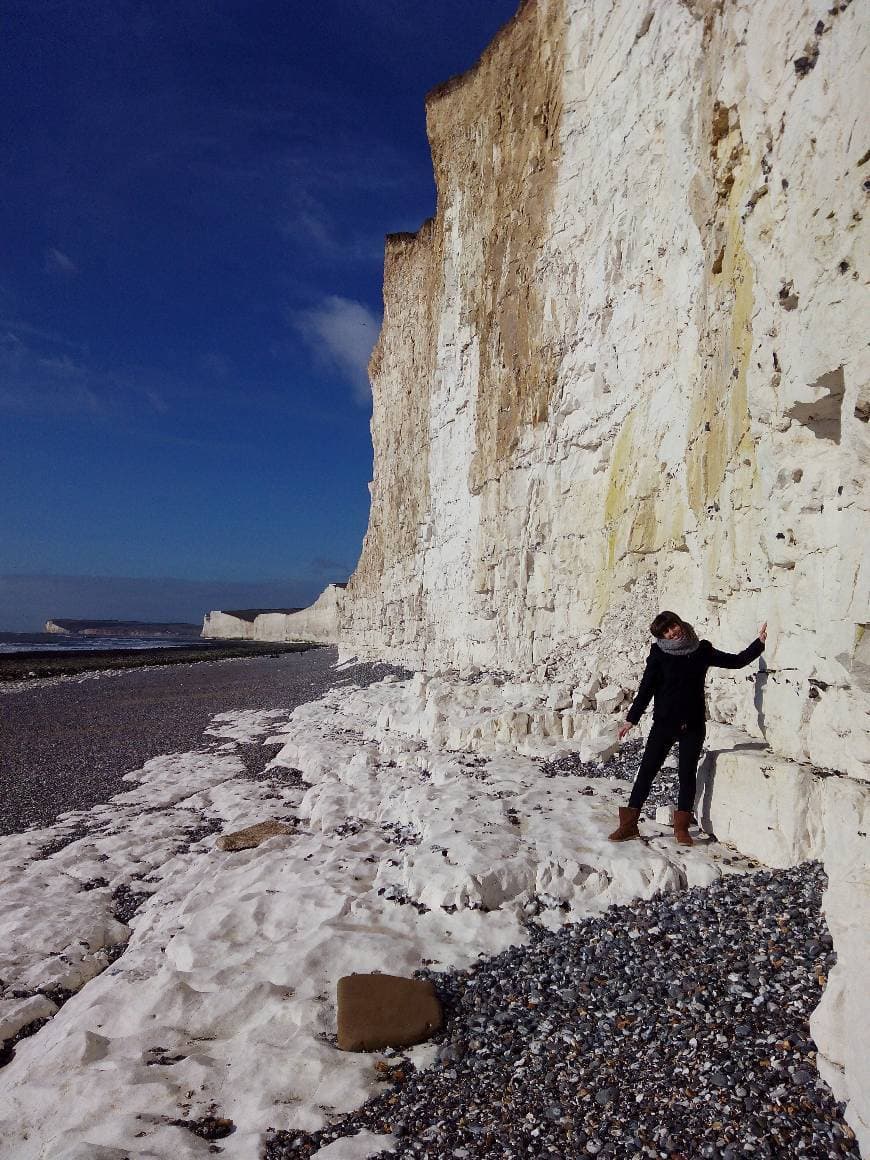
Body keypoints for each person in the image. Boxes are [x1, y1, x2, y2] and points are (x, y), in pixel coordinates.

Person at [608, 611, 767, 846]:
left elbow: (735, 661)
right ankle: (629, 825)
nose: (672, 633)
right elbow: (646, 689)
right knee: (647, 771)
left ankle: (681, 828)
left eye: (673, 626)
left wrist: (759, 644)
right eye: (666, 632)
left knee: (686, 774)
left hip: (693, 724)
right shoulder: (659, 654)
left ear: (679, 623)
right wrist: (632, 719)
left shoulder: (701, 650)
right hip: (664, 723)